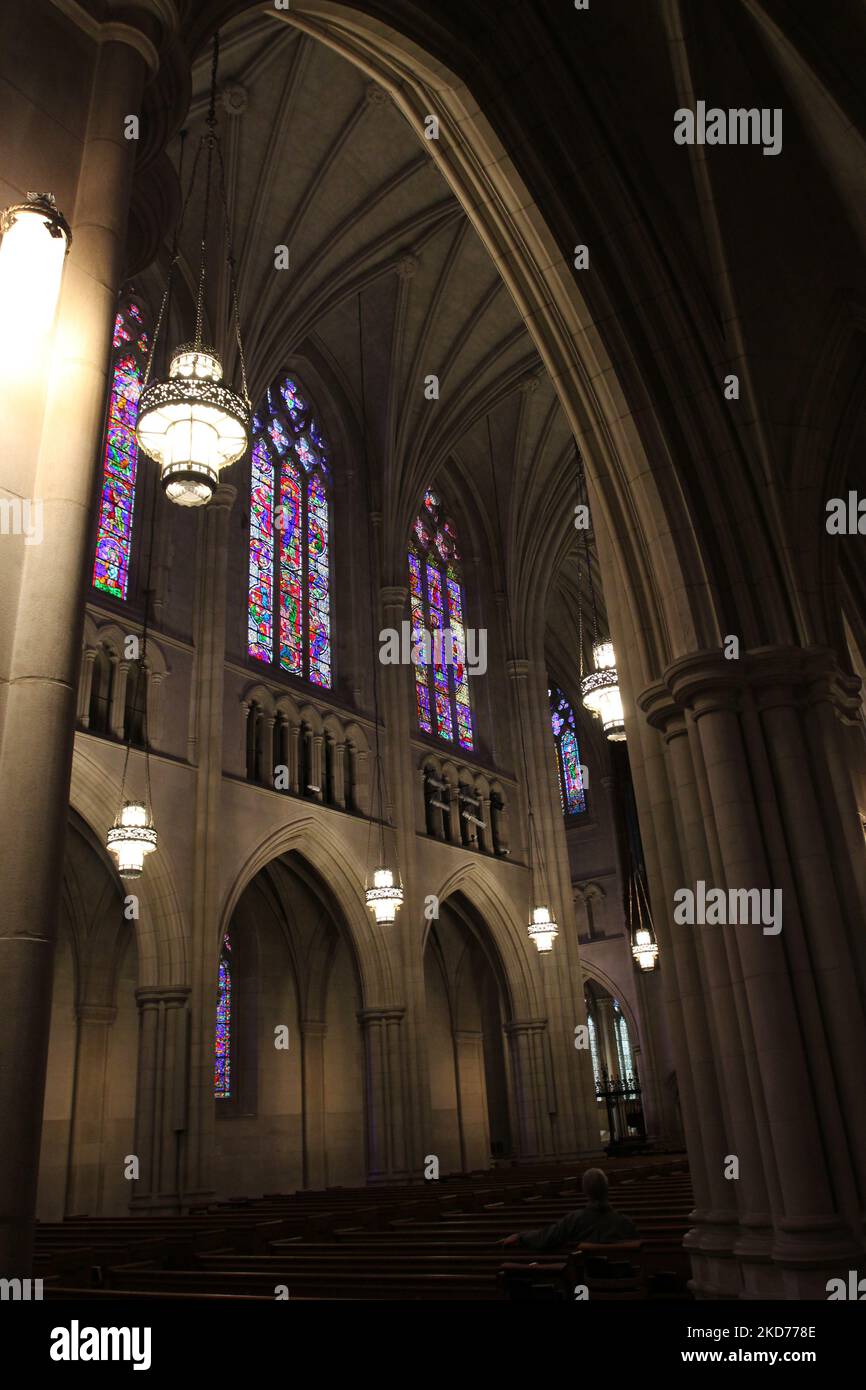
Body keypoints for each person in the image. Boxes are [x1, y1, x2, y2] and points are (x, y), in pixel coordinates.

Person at [500, 1167, 638, 1252]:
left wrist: (521, 1236)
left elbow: (546, 1237)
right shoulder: (626, 1223)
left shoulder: (575, 1220)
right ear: (607, 1189)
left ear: (585, 1191)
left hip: (585, 1284)